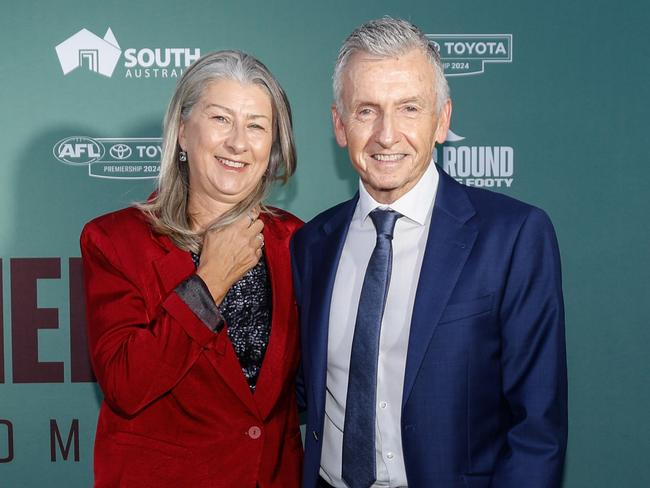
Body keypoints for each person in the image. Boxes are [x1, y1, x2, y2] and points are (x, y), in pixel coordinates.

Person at [291, 18, 567, 488]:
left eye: (409, 108)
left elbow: (536, 430)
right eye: (366, 111)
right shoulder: (311, 244)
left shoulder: (514, 236)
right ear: (339, 125)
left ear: (442, 120)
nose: (387, 134)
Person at [81, 50, 302, 488]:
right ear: (182, 132)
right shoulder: (115, 241)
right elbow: (127, 385)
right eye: (221, 119)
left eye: (256, 126)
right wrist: (210, 280)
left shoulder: (298, 241)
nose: (239, 142)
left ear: (273, 146)